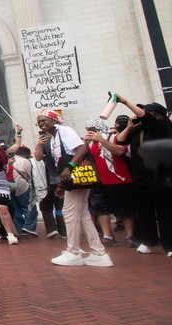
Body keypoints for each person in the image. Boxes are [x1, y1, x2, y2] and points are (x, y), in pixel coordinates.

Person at [34, 110, 112, 267]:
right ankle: (98, 253)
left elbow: (82, 149)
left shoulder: (64, 131)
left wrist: (69, 167)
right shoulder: (55, 137)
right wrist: (62, 185)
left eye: (44, 120)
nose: (42, 124)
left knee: (69, 214)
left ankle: (74, 251)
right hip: (73, 180)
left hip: (76, 178)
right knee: (83, 215)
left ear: (54, 120)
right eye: (39, 122)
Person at [113, 97, 172, 255]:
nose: (141, 114)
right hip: (140, 177)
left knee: (165, 211)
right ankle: (148, 241)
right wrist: (130, 128)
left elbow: (146, 116)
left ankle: (169, 244)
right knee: (144, 211)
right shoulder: (139, 129)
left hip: (160, 176)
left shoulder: (163, 126)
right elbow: (119, 140)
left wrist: (125, 102)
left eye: (147, 112)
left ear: (157, 115)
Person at [83, 118, 131, 248]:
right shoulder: (89, 143)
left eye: (92, 130)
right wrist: (85, 144)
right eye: (88, 131)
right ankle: (108, 236)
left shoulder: (113, 137)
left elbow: (120, 151)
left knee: (124, 209)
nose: (89, 133)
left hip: (118, 179)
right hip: (98, 181)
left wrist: (102, 140)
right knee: (100, 209)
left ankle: (131, 236)